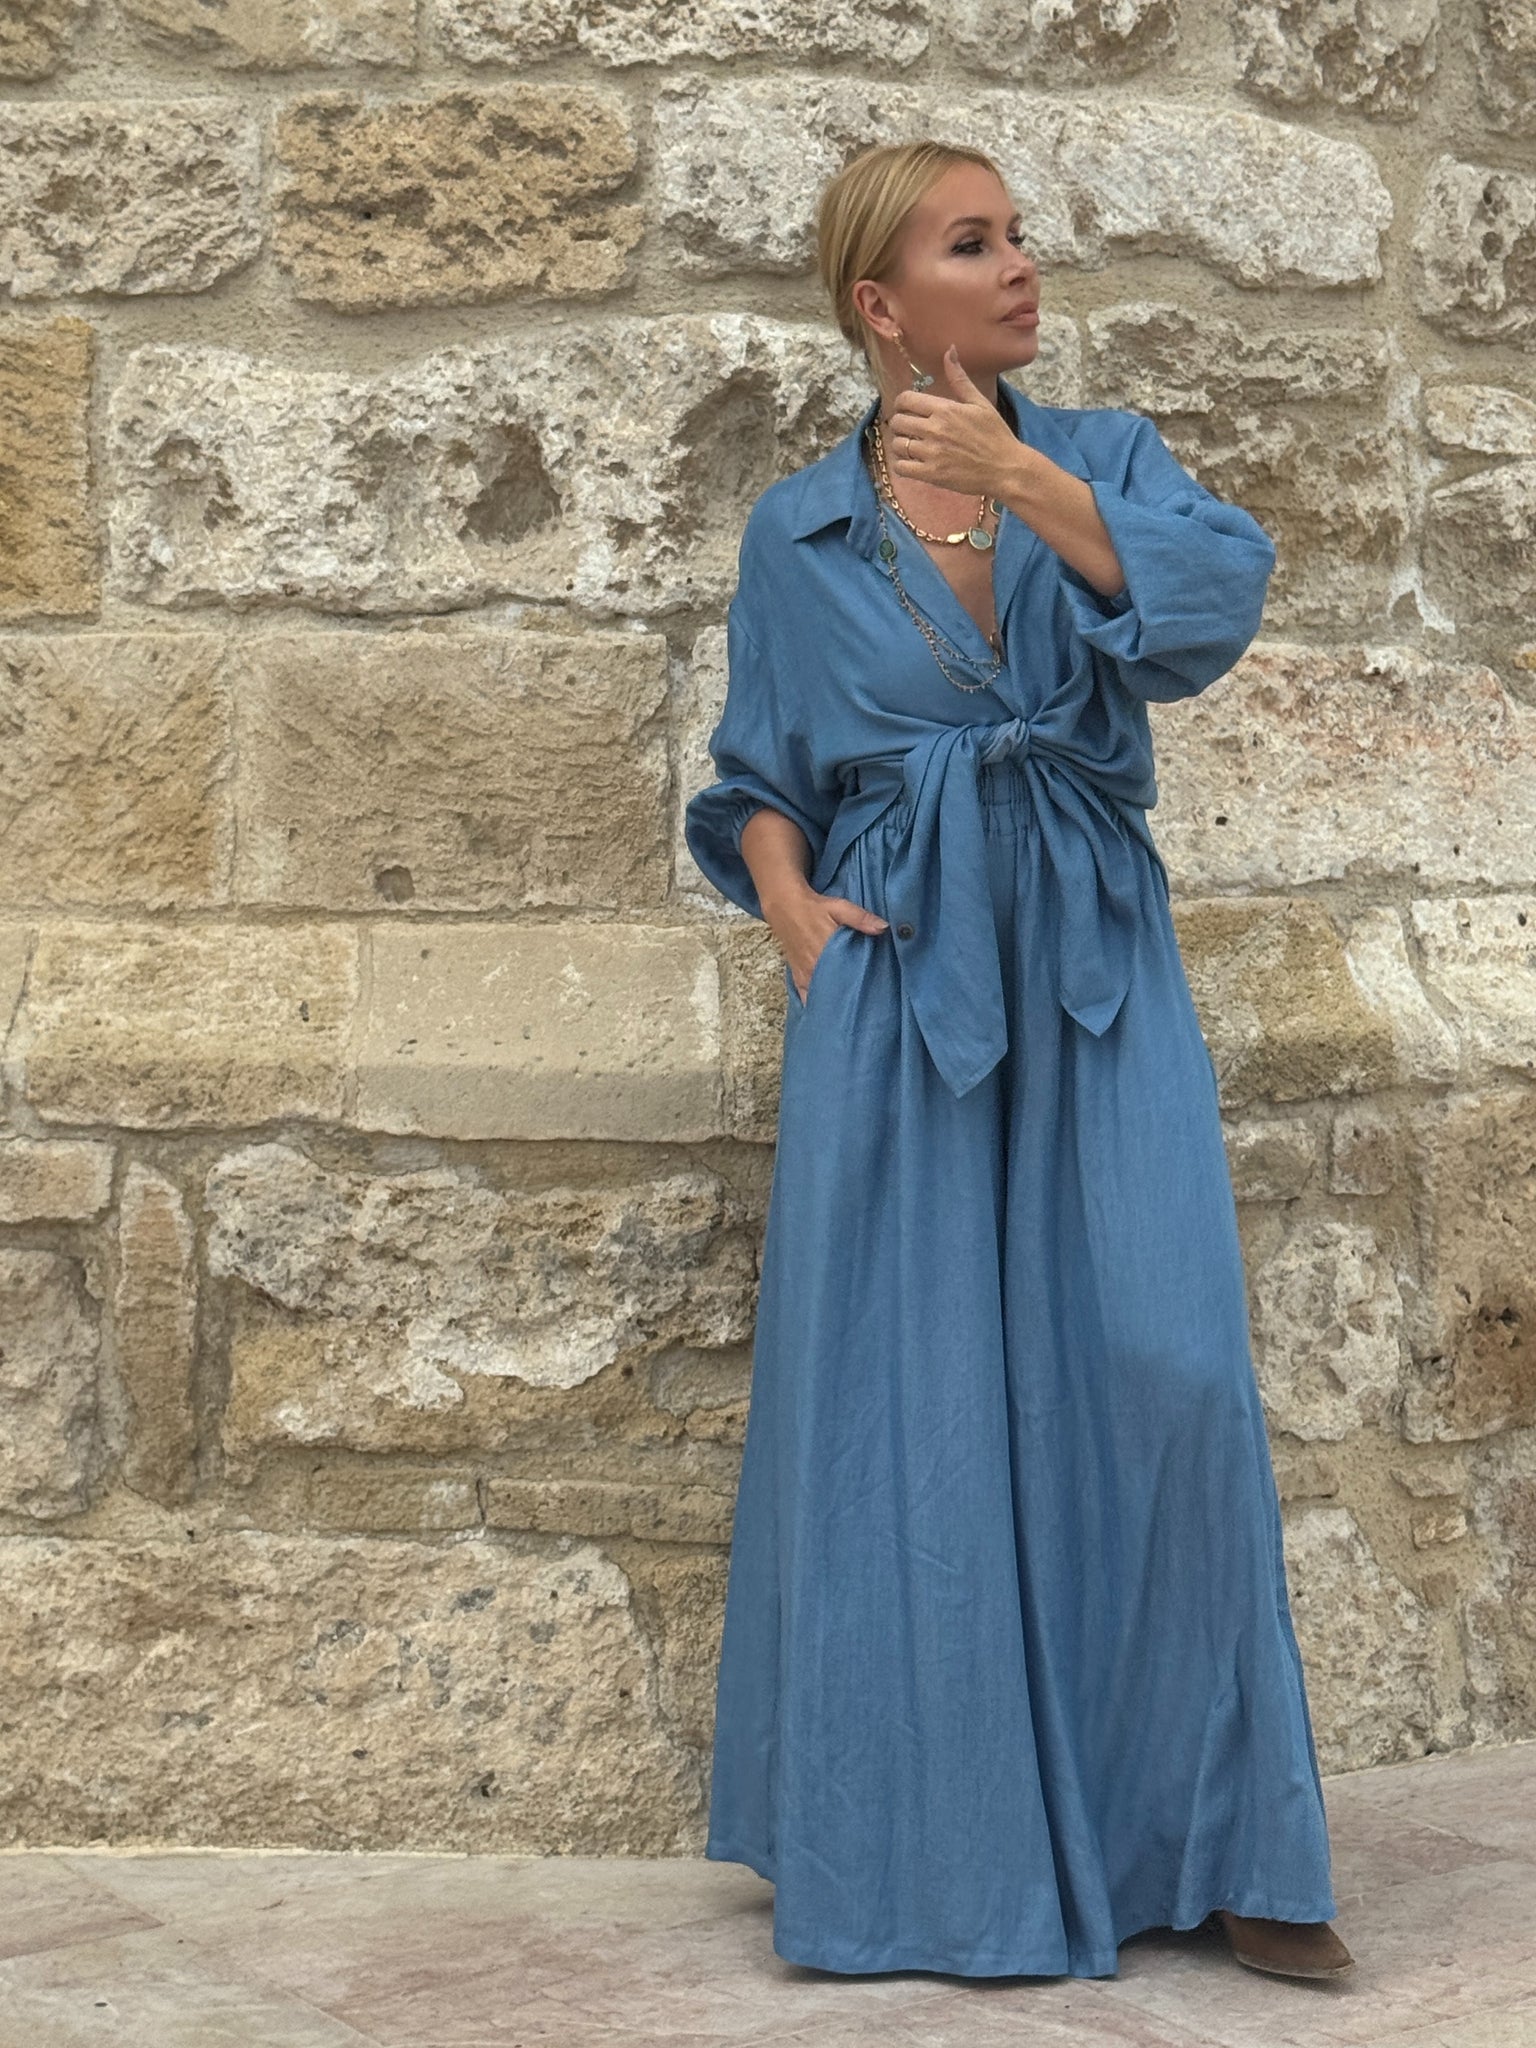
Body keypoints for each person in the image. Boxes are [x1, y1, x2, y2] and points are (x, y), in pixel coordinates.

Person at [683, 139, 1355, 1985]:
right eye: (971, 245)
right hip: (900, 984)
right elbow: (760, 771)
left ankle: (1223, 1843)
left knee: (1168, 1369)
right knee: (906, 1414)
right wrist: (791, 911)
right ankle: (932, 1856)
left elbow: (1215, 605)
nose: (1019, 267)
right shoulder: (797, 533)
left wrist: (1022, 479)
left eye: (1018, 236)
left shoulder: (1106, 457)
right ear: (880, 304)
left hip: (1093, 958)